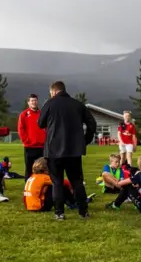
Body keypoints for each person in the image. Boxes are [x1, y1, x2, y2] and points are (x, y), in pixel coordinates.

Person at [38, 81, 97, 220]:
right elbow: (92, 124)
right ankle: (83, 211)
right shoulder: (78, 104)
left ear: (53, 91)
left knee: (57, 182)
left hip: (53, 150)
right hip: (73, 150)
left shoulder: (50, 104)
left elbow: (40, 123)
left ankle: (59, 213)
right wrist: (85, 140)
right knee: (76, 181)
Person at [23, 157, 94, 212]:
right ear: (46, 169)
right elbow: (63, 182)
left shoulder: (32, 177)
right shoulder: (44, 177)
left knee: (54, 187)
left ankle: (72, 201)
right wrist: (75, 186)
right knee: (60, 187)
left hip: (29, 206)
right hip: (39, 206)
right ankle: (74, 203)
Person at [18, 94, 47, 180]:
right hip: (30, 147)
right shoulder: (24, 115)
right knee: (29, 170)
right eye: (32, 101)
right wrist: (27, 141)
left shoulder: (42, 114)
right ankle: (28, 190)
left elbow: (47, 127)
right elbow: (21, 129)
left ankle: (42, 188)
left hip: (42, 147)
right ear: (28, 102)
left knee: (43, 169)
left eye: (35, 100)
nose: (34, 102)